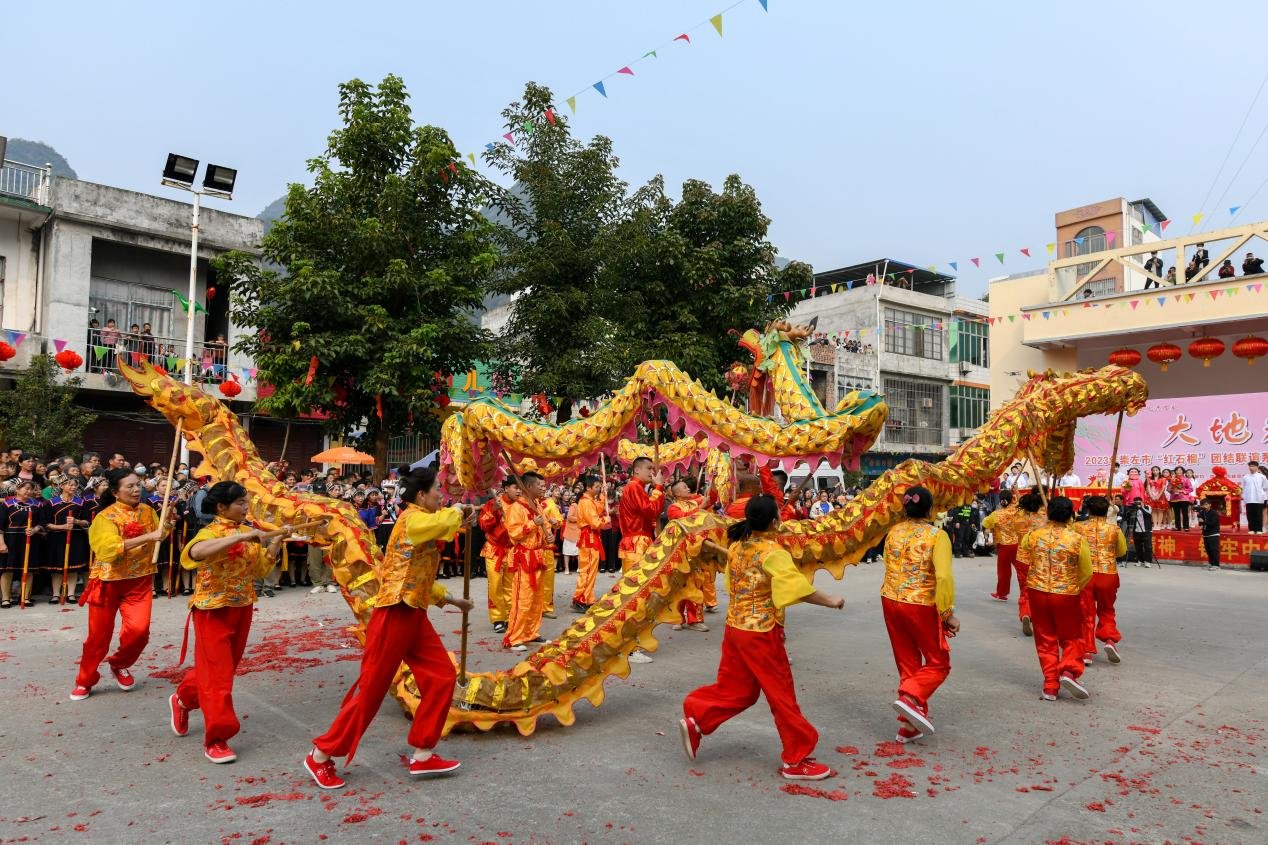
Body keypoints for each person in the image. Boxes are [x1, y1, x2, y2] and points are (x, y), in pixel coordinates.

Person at [305, 465, 474, 789]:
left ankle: (423, 753)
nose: (441, 495)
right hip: (394, 614)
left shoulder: (425, 523)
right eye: (437, 490)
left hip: (413, 613)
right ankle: (321, 754)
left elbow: (420, 573)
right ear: (422, 495)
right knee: (371, 690)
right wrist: (458, 511)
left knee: (442, 676)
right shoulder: (412, 519)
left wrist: (453, 601)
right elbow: (442, 522)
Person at [678, 494, 844, 780]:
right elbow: (796, 588)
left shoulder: (739, 546)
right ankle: (796, 759)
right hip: (761, 632)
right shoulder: (771, 552)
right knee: (781, 694)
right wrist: (831, 600)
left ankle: (698, 719)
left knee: (739, 690)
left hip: (736, 628)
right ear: (775, 521)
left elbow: (731, 583)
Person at [169, 481, 291, 763]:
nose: (246, 508)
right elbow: (193, 554)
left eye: (246, 502)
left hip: (241, 607)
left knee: (221, 671)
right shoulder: (209, 532)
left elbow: (261, 569)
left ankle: (184, 699)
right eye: (240, 503)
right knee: (219, 676)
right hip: (212, 609)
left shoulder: (247, 531)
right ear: (222, 507)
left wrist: (275, 540)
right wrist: (239, 538)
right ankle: (217, 737)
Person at [71, 468, 170, 701]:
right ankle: (85, 679)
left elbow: (159, 534)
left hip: (140, 580)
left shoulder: (148, 511)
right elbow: (107, 550)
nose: (136, 490)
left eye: (138, 485)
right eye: (130, 486)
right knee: (98, 637)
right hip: (108, 581)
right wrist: (149, 537)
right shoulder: (105, 517)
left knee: (139, 631)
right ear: (116, 492)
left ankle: (119, 663)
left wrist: (166, 525)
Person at [880, 486, 957, 744]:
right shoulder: (937, 535)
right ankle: (910, 698)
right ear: (930, 508)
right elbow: (944, 576)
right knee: (938, 662)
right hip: (920, 603)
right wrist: (947, 613)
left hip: (890, 599)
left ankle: (908, 727)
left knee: (908, 662)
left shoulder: (893, 531)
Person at [1017, 496, 1092, 701]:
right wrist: (1074, 587)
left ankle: (1050, 685)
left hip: (1037, 591)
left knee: (1045, 639)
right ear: (1070, 516)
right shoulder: (1077, 539)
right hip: (1065, 593)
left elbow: (1024, 546)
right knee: (1072, 637)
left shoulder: (1035, 535)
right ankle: (1068, 670)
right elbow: (1086, 571)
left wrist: (1042, 526)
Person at [618, 457, 665, 663]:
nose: (652, 473)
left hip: (639, 542)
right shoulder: (634, 487)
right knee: (636, 596)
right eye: (649, 469)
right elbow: (651, 510)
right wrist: (658, 488)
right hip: (636, 544)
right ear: (636, 470)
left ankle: (631, 643)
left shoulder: (635, 488)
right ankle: (629, 646)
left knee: (639, 595)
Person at [1072, 496, 1127, 666]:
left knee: (1085, 613)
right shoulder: (1114, 530)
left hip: (1085, 574)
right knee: (1107, 609)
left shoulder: (1077, 527)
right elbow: (1121, 551)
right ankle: (1109, 639)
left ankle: (1087, 650)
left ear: (1088, 510)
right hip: (1107, 573)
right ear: (1107, 510)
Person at [503, 472, 550, 653]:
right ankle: (514, 637)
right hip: (524, 557)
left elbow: (543, 527)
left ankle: (531, 632)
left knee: (537, 599)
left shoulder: (536, 504)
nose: (542, 488)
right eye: (540, 485)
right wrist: (532, 524)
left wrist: (547, 536)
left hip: (537, 555)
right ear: (529, 487)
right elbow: (514, 533)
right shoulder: (516, 508)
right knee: (523, 598)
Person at [667, 477, 709, 632]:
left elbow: (710, 499)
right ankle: (677, 618)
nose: (688, 489)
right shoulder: (673, 507)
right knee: (679, 584)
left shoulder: (694, 502)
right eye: (684, 487)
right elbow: (684, 520)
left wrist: (715, 482)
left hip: (696, 550)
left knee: (697, 583)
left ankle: (695, 619)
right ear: (677, 493)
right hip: (681, 551)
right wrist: (701, 508)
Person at [478, 479, 518, 634]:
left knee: (510, 585)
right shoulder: (493, 503)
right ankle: (498, 618)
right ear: (506, 488)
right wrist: (494, 511)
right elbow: (483, 524)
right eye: (516, 487)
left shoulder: (520, 505)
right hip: (494, 550)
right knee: (495, 585)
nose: (519, 491)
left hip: (511, 550)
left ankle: (509, 616)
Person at [0, 480, 48, 607]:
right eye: (26, 488)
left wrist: (35, 529)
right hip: (10, 540)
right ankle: (6, 598)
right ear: (17, 489)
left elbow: (43, 522)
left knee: (29, 569)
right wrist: (1, 543)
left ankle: (25, 597)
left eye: (31, 489)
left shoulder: (37, 505)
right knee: (7, 570)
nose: (29, 491)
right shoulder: (7, 504)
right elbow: (1, 525)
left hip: (30, 540)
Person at [45, 477, 90, 604]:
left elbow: (87, 521)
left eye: (75, 485)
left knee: (73, 567)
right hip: (56, 538)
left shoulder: (81, 502)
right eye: (70, 485)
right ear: (62, 486)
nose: (73, 487)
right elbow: (46, 523)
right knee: (57, 567)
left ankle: (71, 593)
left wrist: (76, 521)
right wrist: (62, 527)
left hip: (76, 537)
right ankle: (56, 594)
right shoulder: (51, 502)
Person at [570, 475, 608, 612]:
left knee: (590, 570)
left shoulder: (588, 501)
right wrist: (605, 520)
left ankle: (587, 598)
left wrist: (603, 496)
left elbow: (597, 509)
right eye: (597, 487)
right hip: (589, 538)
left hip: (590, 538)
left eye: (599, 487)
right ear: (588, 487)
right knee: (587, 570)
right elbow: (595, 522)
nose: (598, 489)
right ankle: (580, 598)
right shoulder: (586, 502)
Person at [982, 491, 1019, 602]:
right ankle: (1027, 592)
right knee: (1022, 570)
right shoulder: (1017, 510)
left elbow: (985, 523)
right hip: (1018, 544)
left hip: (1004, 545)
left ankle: (1002, 593)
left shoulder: (996, 514)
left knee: (1003, 571)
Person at [1240, 461, 1267, 534]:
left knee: (1258, 514)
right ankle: (1251, 529)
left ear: (1257, 467)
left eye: (1253, 466)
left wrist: (1262, 495)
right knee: (1250, 515)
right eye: (1250, 466)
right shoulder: (1246, 477)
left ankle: (1259, 529)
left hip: (1258, 499)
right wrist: (1244, 496)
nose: (1251, 468)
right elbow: (1244, 488)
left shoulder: (1262, 477)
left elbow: (1265, 487)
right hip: (1249, 499)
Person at [1198, 497, 1222, 570]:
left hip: (1213, 533)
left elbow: (1212, 523)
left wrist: (1203, 522)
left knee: (1214, 549)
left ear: (1210, 505)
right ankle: (1211, 564)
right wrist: (1200, 522)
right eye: (1203, 505)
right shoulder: (1202, 513)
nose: (1204, 506)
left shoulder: (1214, 513)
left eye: (1206, 504)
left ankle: (1216, 565)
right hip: (1205, 534)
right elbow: (1200, 523)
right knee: (1208, 549)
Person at [1168, 466, 1194, 532]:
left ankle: (1186, 527)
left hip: (1184, 498)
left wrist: (1183, 491)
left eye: (1180, 470)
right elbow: (1168, 488)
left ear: (1183, 471)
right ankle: (1178, 527)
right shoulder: (1172, 479)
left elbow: (1191, 488)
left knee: (1185, 513)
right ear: (1175, 471)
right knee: (1176, 513)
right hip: (1174, 498)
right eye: (1177, 470)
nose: (1179, 471)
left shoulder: (1186, 479)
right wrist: (1172, 490)